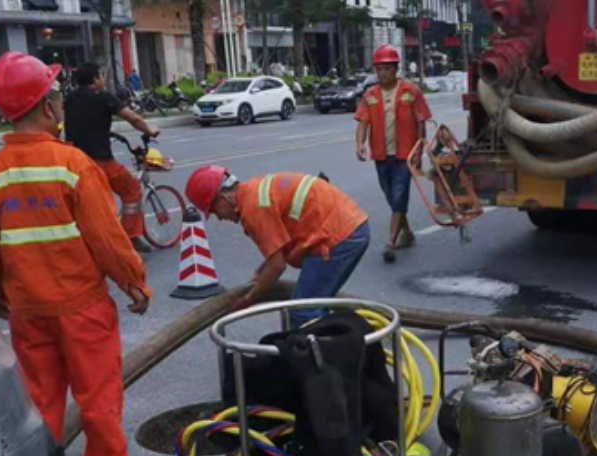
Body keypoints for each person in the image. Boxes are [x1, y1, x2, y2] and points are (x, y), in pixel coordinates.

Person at [0, 51, 151, 456]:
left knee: (41, 400)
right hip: (81, 305)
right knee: (98, 397)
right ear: (48, 107)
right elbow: (106, 238)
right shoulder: (71, 165)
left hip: (28, 309)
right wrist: (134, 281)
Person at [183, 167, 370, 327]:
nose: (220, 218)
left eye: (215, 211)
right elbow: (277, 253)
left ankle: (322, 364)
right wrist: (260, 274)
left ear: (224, 197)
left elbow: (277, 266)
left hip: (338, 238)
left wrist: (250, 299)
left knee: (302, 312)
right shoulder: (252, 191)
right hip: (351, 226)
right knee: (316, 302)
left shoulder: (253, 209)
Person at [64, 62, 159, 254]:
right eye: (101, 76)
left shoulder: (70, 98)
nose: (103, 80)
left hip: (72, 161)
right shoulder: (104, 97)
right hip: (99, 161)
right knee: (131, 190)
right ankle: (131, 236)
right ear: (95, 79)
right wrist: (151, 129)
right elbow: (133, 118)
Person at [355, 44, 431, 262]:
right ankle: (406, 233)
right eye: (379, 69)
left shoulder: (411, 91)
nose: (382, 73)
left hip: (404, 155)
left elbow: (421, 121)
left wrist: (419, 150)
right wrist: (360, 144)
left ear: (395, 69)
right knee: (391, 196)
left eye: (386, 68)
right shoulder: (370, 94)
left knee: (399, 195)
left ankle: (390, 242)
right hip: (381, 155)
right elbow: (362, 122)